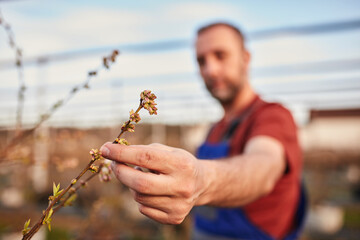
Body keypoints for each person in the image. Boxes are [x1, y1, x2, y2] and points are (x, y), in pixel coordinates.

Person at [100, 22, 306, 240]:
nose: (210, 69)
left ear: (245, 58)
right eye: (201, 61)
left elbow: (263, 168)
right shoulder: (214, 130)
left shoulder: (272, 116)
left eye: (220, 55)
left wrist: (202, 179)